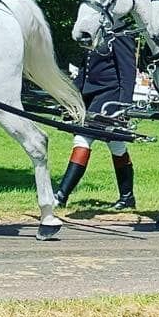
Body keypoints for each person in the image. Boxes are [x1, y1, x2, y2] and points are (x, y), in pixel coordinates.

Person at [54, 32, 137, 209]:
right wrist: (69, 97)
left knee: (82, 139)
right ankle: (127, 197)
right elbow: (85, 72)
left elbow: (128, 72)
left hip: (110, 97)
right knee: (117, 145)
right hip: (90, 97)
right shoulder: (97, 33)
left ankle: (61, 196)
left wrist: (124, 105)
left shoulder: (120, 36)